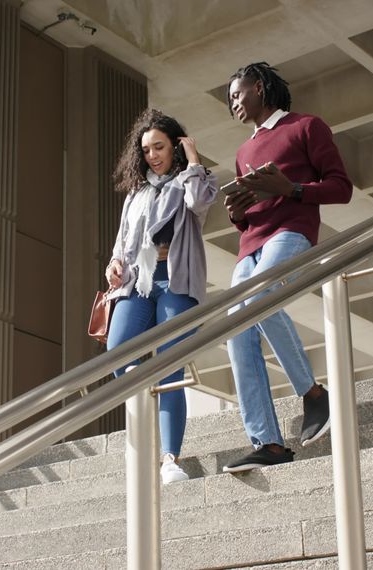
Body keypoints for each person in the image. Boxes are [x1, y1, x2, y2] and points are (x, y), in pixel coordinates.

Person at [220, 62, 354, 473]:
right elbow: (250, 213)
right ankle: (269, 443)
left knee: (262, 296)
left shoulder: (307, 127)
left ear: (259, 88)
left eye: (238, 95)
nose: (234, 105)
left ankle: (314, 394)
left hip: (291, 231)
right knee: (234, 325)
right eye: (230, 102)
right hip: (251, 242)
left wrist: (292, 189)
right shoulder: (244, 152)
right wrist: (236, 214)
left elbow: (341, 188)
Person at [105, 108, 218, 483]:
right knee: (119, 349)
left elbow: (201, 203)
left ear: (175, 147)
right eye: (147, 149)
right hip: (138, 282)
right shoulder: (135, 194)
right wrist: (114, 265)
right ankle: (145, 413)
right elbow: (123, 243)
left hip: (176, 281)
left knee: (171, 366)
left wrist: (195, 161)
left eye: (160, 146)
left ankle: (170, 458)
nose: (153, 154)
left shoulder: (189, 181)